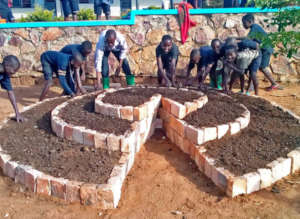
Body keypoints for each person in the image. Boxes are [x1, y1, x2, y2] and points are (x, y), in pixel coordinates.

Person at [242, 14, 282, 91]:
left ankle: (253, 86)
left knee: (258, 67)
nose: (243, 25)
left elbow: (247, 38)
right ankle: (273, 84)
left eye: (244, 23)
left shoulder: (255, 28)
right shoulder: (255, 28)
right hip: (265, 49)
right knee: (259, 67)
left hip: (266, 49)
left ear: (249, 22)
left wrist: (234, 38)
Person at [0, 55, 25, 122]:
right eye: (14, 70)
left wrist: (17, 113)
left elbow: (10, 92)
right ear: (7, 66)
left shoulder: (5, 75)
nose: (14, 73)